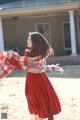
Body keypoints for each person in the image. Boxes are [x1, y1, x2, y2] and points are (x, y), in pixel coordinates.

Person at [8, 32, 62, 120]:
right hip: (39, 78)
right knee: (42, 98)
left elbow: (20, 65)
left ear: (34, 42)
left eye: (29, 39)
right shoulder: (39, 53)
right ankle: (47, 115)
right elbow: (22, 63)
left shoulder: (32, 55)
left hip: (35, 80)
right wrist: (13, 57)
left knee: (36, 99)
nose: (27, 41)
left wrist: (11, 57)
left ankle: (41, 116)